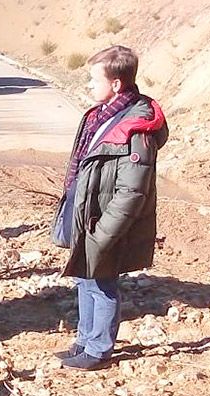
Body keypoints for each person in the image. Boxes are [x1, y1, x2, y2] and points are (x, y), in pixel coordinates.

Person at [50, 45, 167, 371]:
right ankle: (84, 340)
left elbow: (132, 191)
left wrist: (104, 234)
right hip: (88, 215)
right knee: (84, 279)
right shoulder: (102, 116)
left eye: (94, 79)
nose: (88, 85)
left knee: (102, 285)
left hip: (104, 223)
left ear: (116, 84)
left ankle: (99, 350)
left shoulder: (136, 128)